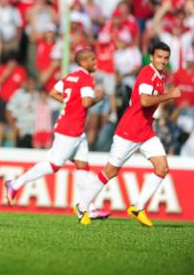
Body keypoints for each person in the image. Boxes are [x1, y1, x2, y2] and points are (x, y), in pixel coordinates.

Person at [76, 42, 182, 227]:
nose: (162, 61)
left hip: (146, 131)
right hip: (129, 131)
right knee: (110, 171)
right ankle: (82, 205)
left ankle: (138, 207)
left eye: (166, 58)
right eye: (159, 57)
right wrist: (169, 95)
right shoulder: (147, 73)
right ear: (151, 57)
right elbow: (144, 100)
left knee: (162, 168)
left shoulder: (159, 76)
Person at [5, 50, 110, 219]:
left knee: (82, 167)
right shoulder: (86, 79)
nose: (96, 62)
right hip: (70, 130)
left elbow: (53, 92)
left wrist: (69, 103)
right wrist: (98, 97)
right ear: (83, 63)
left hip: (75, 129)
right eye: (92, 59)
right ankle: (15, 183)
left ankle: (87, 207)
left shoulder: (70, 76)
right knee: (53, 166)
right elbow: (86, 102)